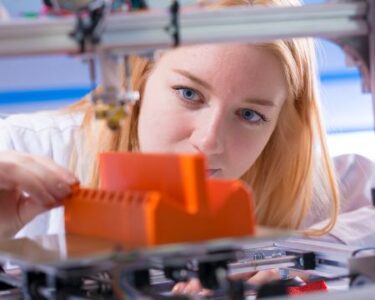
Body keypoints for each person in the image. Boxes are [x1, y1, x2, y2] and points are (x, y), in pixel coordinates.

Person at [1, 0, 375, 261]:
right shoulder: (24, 152)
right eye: (189, 94)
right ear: (141, 77)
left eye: (249, 114)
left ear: (280, 124)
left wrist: (293, 252)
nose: (208, 141)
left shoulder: (294, 181)